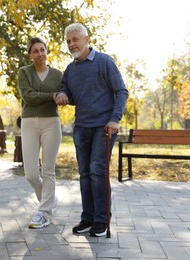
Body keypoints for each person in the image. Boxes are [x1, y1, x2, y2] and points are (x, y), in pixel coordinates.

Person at [55, 23, 129, 237]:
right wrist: (62, 95)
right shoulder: (70, 69)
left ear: (87, 39)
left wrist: (114, 119)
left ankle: (101, 220)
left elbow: (121, 91)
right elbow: (67, 91)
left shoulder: (104, 62)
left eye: (75, 39)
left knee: (98, 172)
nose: (71, 44)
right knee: (85, 174)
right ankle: (87, 218)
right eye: (68, 41)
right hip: (82, 127)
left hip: (104, 128)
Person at [18, 37, 63, 229]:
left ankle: (44, 212)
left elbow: (65, 95)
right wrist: (52, 96)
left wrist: (55, 98)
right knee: (31, 174)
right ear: (30, 54)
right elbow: (28, 96)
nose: (39, 54)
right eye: (35, 51)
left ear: (47, 51)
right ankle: (50, 201)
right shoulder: (24, 72)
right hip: (29, 123)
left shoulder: (58, 75)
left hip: (51, 123)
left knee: (48, 170)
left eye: (42, 50)